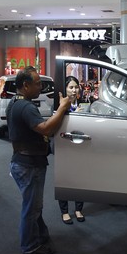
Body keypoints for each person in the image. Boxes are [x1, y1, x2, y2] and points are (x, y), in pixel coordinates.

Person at [7, 66, 71, 254]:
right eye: (37, 84)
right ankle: (30, 245)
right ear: (25, 85)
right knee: (32, 208)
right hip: (29, 164)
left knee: (34, 206)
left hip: (24, 162)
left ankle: (40, 236)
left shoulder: (15, 102)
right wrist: (62, 108)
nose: (40, 87)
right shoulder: (25, 107)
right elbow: (45, 129)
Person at [58, 76, 86, 225]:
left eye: (76, 87)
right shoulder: (60, 105)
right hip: (64, 146)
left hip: (80, 146)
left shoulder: (83, 104)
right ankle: (64, 211)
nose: (74, 90)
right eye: (71, 87)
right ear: (65, 89)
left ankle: (78, 209)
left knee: (79, 179)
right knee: (64, 178)